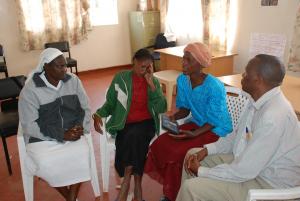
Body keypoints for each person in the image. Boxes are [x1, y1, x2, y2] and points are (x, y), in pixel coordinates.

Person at [177, 54, 300, 201]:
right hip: (249, 164)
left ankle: (191, 193)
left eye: (247, 72)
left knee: (191, 188)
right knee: (193, 154)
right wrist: (207, 150)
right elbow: (235, 136)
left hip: (266, 183)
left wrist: (201, 171)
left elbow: (244, 171)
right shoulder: (256, 99)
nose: (243, 75)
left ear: (258, 80)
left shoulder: (273, 116)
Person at [144, 42, 233, 201]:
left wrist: (193, 134)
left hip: (216, 130)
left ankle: (173, 195)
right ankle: (173, 189)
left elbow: (213, 121)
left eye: (188, 60)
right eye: (183, 58)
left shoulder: (214, 86)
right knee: (161, 143)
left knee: (178, 152)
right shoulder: (183, 80)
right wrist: (173, 117)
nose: (183, 63)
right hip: (198, 124)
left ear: (200, 64)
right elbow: (185, 108)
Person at [93, 48, 167, 201]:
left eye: (149, 67)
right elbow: (111, 102)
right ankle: (137, 185)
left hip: (147, 124)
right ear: (134, 63)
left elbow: (162, 108)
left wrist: (152, 86)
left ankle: (126, 181)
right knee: (132, 138)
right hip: (125, 123)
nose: (145, 70)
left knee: (135, 136)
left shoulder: (153, 82)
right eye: (142, 66)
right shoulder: (121, 78)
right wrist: (98, 114)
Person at [19, 48, 92, 201]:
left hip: (72, 132)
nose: (65, 69)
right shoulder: (30, 90)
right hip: (42, 138)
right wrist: (61, 134)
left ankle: (71, 198)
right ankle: (71, 198)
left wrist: (79, 127)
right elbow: (29, 125)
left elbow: (85, 107)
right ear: (45, 67)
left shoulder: (73, 81)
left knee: (83, 155)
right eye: (59, 66)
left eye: (65, 65)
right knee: (45, 163)